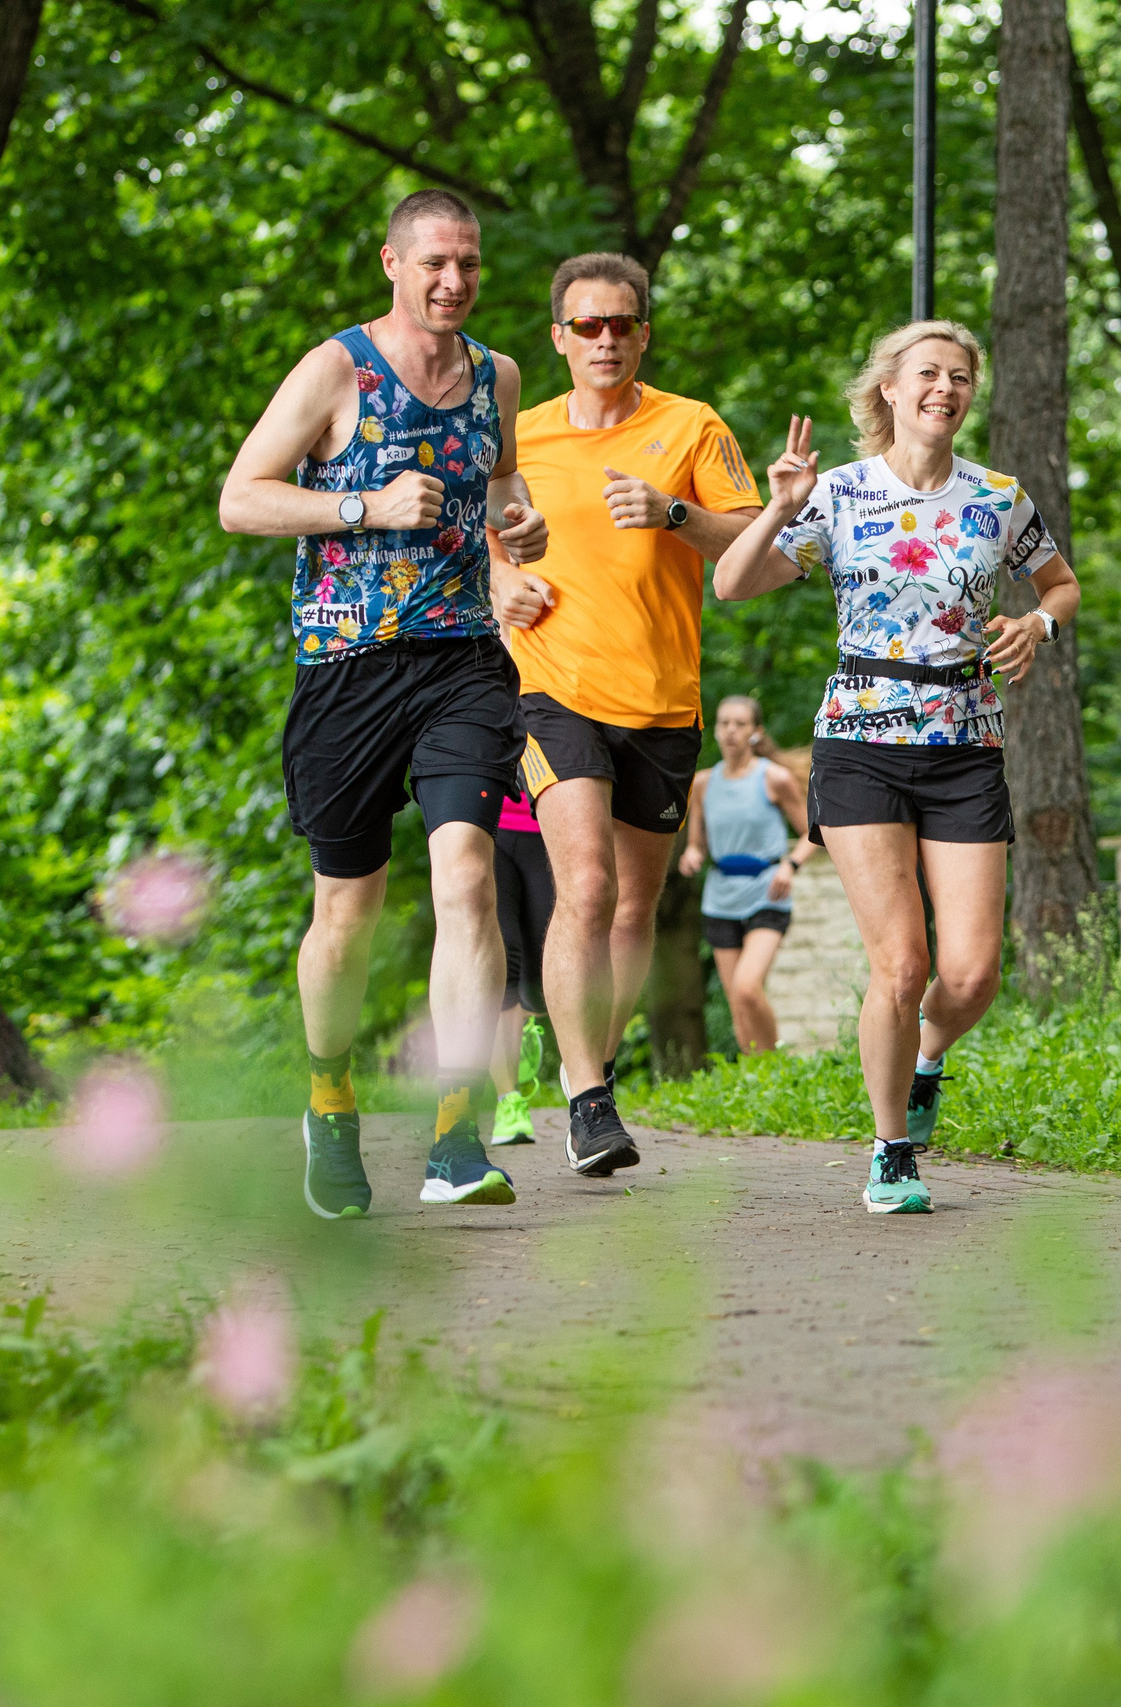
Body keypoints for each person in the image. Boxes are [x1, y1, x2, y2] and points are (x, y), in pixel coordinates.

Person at [219, 189, 547, 1217]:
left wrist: (516, 538)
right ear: (392, 264)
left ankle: (456, 1138)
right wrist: (359, 504)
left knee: (465, 878)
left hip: (461, 660)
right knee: (346, 914)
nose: (454, 282)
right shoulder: (335, 369)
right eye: (435, 263)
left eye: (470, 264)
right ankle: (329, 1101)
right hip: (347, 667)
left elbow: (498, 493)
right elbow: (241, 497)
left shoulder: (497, 374)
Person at [712, 320, 1081, 1214]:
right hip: (862, 738)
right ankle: (890, 1151)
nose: (944, 389)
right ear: (888, 387)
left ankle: (926, 1059)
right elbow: (730, 583)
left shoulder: (998, 497)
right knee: (902, 963)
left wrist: (1037, 626)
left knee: (975, 972)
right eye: (927, 373)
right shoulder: (836, 494)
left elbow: (1061, 585)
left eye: (960, 376)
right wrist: (778, 503)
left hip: (964, 742)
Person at [491, 252, 764, 1180]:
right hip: (554, 689)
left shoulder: (690, 424)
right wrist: (498, 586)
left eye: (622, 325)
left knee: (636, 908)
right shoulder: (516, 438)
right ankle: (586, 1098)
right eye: (587, 326)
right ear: (559, 337)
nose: (605, 340)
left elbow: (754, 539)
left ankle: (591, 1062)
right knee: (589, 889)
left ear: (643, 333)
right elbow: (463, 540)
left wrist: (674, 512)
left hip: (662, 699)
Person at [678, 696, 816, 1055]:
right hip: (721, 899)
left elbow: (812, 833)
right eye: (723, 723)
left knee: (747, 987)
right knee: (737, 1001)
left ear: (755, 732)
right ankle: (756, 1078)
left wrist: (790, 865)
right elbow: (698, 843)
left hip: (767, 893)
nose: (730, 731)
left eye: (739, 724)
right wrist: (692, 855)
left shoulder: (774, 778)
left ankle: (774, 1062)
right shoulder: (704, 783)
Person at [488, 784, 554, 1144]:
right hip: (490, 826)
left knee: (548, 961)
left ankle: (525, 1027)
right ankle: (507, 1099)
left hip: (548, 826)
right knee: (503, 955)